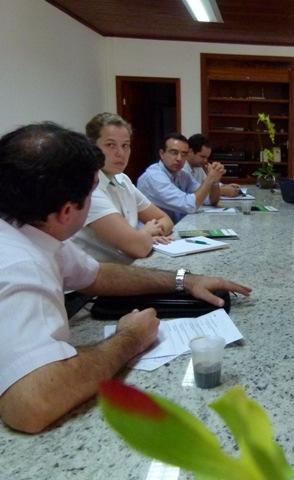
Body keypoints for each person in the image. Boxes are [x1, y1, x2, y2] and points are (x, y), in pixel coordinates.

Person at [0, 123, 251, 433]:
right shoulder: (19, 264)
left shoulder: (31, 228)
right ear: (67, 212)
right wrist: (130, 338)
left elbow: (97, 274)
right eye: (92, 192)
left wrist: (185, 280)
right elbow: (32, 403)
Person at [72, 113, 174, 263]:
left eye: (125, 145)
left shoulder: (123, 180)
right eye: (110, 145)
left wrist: (143, 237)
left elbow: (165, 219)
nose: (120, 153)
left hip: (128, 265)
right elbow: (137, 247)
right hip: (97, 277)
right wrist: (144, 234)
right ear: (92, 148)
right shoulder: (88, 187)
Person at [137, 133, 225, 223]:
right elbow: (189, 206)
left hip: (174, 227)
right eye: (174, 153)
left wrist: (215, 182)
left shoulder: (182, 175)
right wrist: (209, 179)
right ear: (162, 154)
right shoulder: (154, 176)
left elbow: (211, 200)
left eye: (184, 154)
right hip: (154, 233)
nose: (179, 158)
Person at [183, 134, 242, 198]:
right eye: (202, 156)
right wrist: (222, 191)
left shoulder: (198, 167)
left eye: (207, 157)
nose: (205, 160)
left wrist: (225, 186)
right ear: (190, 151)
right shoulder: (181, 168)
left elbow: (207, 184)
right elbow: (191, 193)